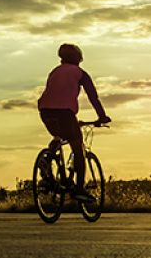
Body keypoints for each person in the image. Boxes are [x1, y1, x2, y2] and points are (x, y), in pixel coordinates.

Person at [37, 43, 110, 203]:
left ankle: (47, 163)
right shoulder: (80, 73)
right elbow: (93, 97)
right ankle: (79, 189)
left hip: (45, 111)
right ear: (78, 58)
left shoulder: (54, 72)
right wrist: (102, 116)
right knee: (78, 147)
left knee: (58, 136)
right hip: (65, 112)